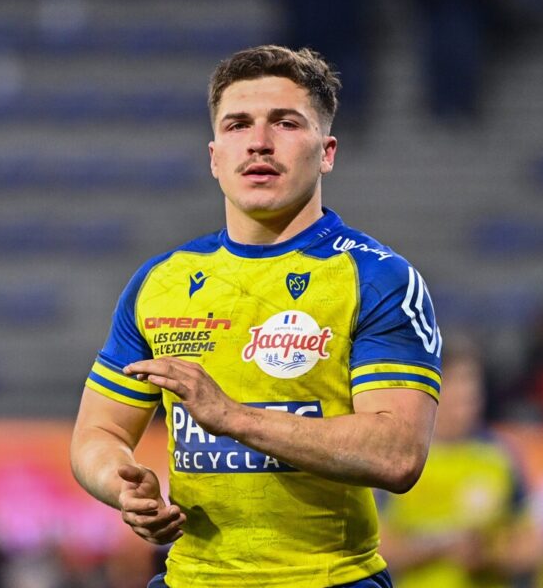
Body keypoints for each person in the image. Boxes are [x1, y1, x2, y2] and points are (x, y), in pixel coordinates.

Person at [70, 45, 443, 588]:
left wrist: (234, 418)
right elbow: (98, 432)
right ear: (214, 156)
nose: (259, 142)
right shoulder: (159, 282)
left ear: (327, 152)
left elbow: (398, 455)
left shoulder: (378, 278)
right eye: (238, 124)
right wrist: (121, 484)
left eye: (286, 123)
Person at [379, 346, 537, 588]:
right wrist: (441, 546)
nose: (467, 398)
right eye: (457, 387)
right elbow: (378, 546)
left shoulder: (500, 456)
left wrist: (488, 554)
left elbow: (534, 545)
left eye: (472, 388)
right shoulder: (401, 457)